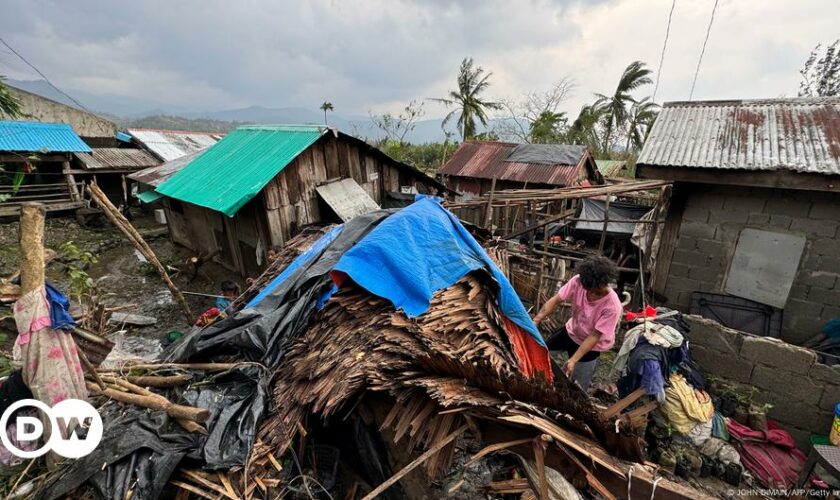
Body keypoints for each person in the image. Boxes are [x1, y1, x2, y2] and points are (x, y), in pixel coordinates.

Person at [532, 255, 622, 391]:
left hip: (591, 346)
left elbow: (594, 336)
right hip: (570, 331)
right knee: (541, 353)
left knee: (578, 387)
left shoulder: (613, 306)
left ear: (604, 283)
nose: (590, 293)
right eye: (587, 288)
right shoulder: (578, 281)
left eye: (595, 290)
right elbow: (556, 300)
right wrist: (536, 321)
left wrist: (573, 360)